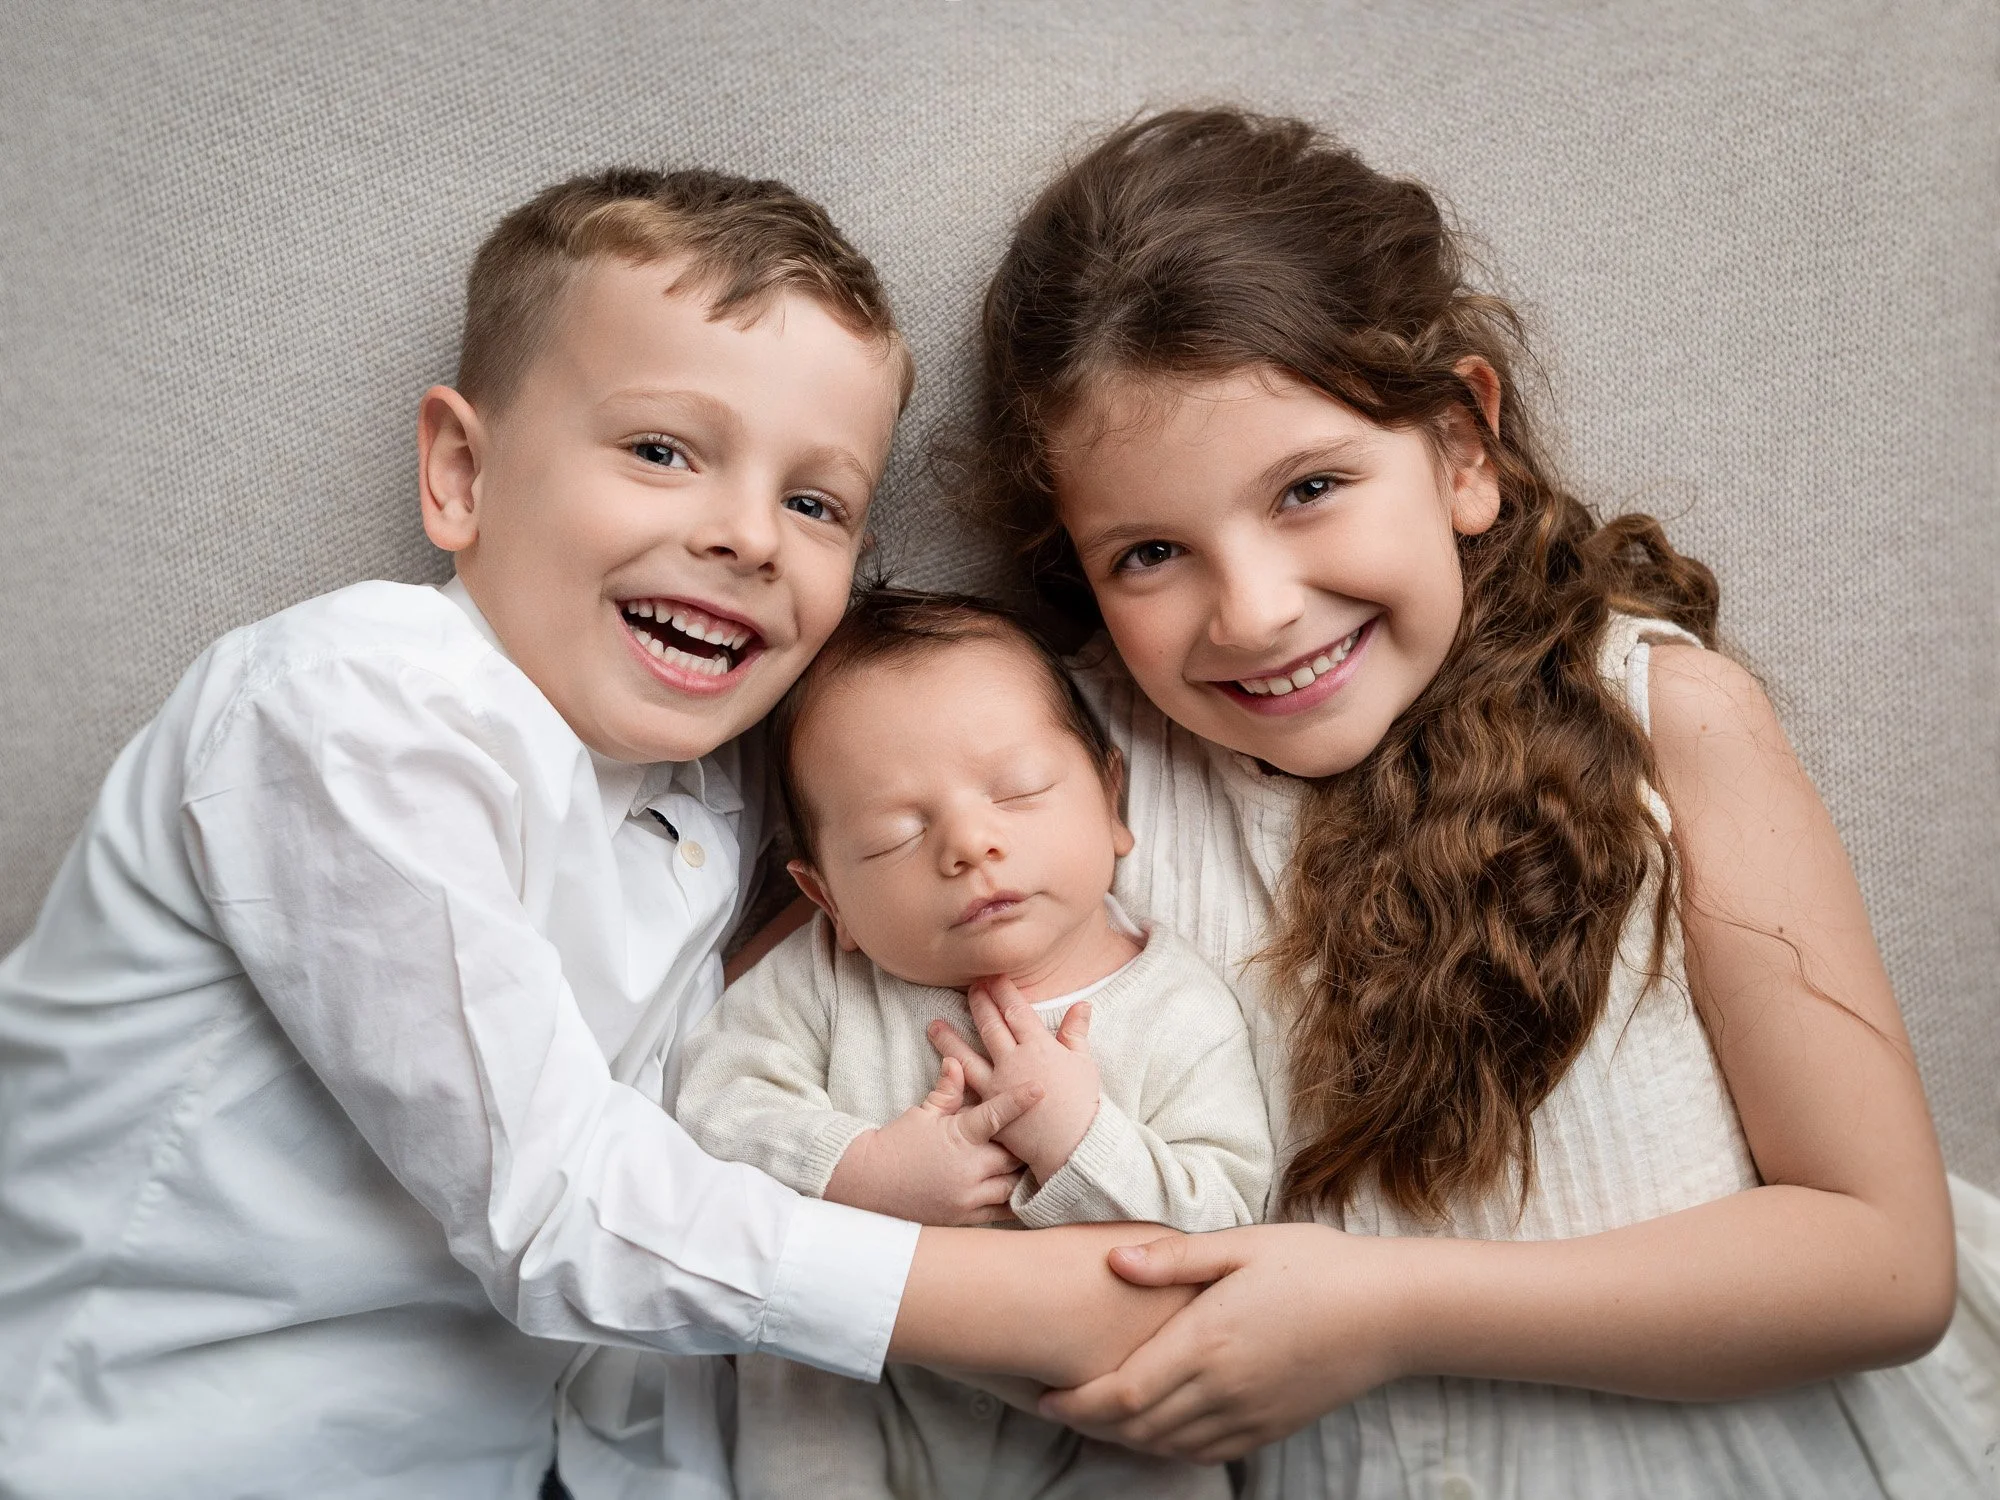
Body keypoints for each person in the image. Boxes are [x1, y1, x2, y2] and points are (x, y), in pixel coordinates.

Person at [0, 167, 1186, 1500]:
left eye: (816, 504)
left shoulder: (734, 796)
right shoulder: (352, 714)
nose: (746, 535)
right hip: (135, 1446)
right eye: (662, 451)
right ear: (462, 474)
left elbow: (676, 1215)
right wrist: (1025, 1305)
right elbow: (562, 1203)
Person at [953, 108, 2000, 1497]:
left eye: (1311, 489)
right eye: (1151, 552)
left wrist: (1384, 1312)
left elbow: (1883, 1263)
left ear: (1461, 445)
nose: (1257, 613)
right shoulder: (1078, 782)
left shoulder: (1664, 717)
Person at [676, 588, 1272, 1499]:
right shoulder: (828, 980)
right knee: (793, 1374)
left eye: (1020, 790)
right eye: (894, 835)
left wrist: (1080, 1140)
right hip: (868, 1395)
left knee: (1169, 1465)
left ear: (1113, 801)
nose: (968, 844)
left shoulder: (1180, 1008)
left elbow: (1226, 1232)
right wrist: (857, 1168)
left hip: (1095, 1421)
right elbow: (708, 1101)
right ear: (828, 897)